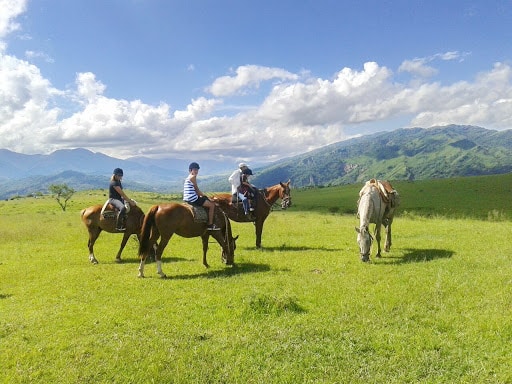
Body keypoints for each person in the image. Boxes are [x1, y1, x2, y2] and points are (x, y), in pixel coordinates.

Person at [183, 162, 220, 230]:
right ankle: (210, 224)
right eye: (195, 170)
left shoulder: (188, 177)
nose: (196, 171)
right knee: (212, 205)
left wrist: (202, 196)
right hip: (193, 199)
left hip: (187, 198)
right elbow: (197, 190)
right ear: (190, 170)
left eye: (197, 170)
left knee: (204, 199)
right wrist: (206, 197)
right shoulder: (193, 177)